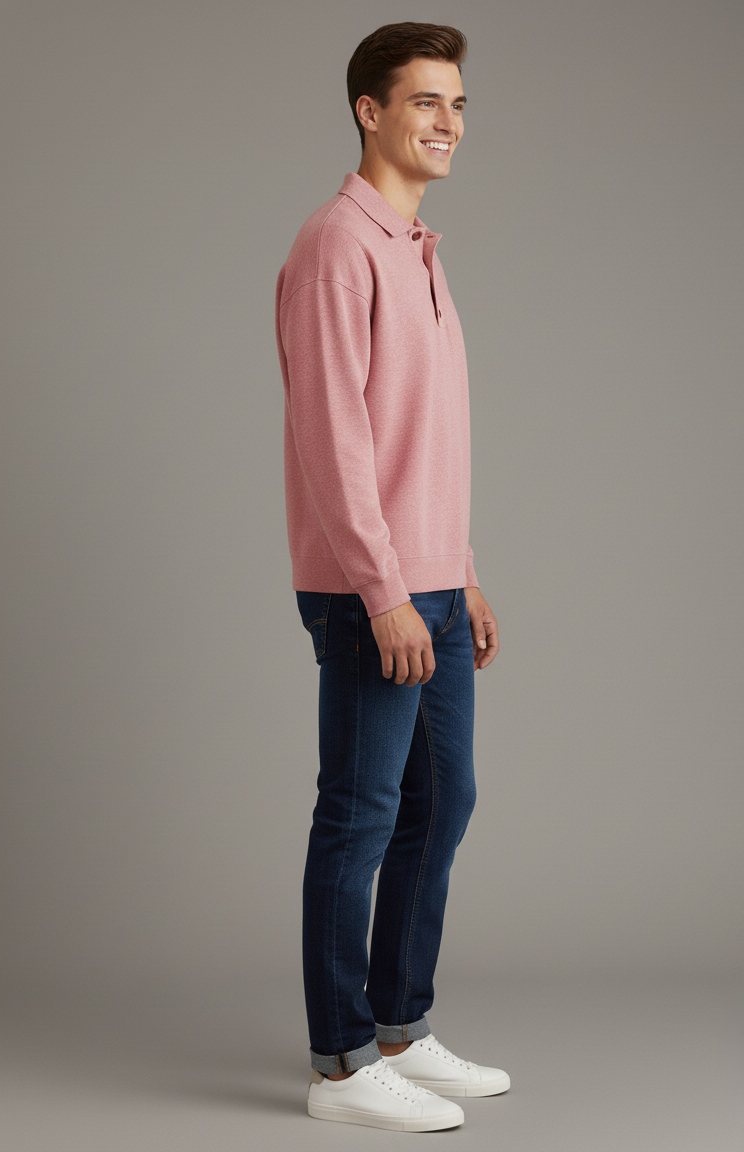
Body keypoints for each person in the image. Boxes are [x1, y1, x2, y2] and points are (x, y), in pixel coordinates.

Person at [274, 22, 508, 1132]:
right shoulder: (338, 246)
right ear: (369, 112)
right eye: (425, 101)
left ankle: (401, 1029)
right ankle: (339, 1065)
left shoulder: (417, 248)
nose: (447, 123)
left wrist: (458, 571)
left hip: (430, 583)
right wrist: (383, 591)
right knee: (361, 816)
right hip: (371, 590)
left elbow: (424, 440)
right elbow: (335, 442)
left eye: (457, 104)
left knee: (440, 802)